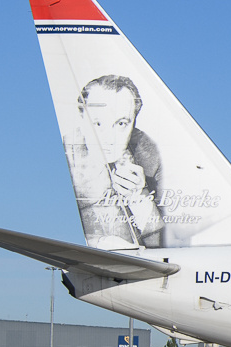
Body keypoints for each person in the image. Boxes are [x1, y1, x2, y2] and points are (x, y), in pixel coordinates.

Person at [64, 75, 165, 248]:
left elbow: (166, 245)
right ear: (81, 119)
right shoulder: (66, 156)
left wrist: (140, 198)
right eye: (97, 124)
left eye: (121, 124)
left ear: (133, 122)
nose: (109, 138)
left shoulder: (152, 156)